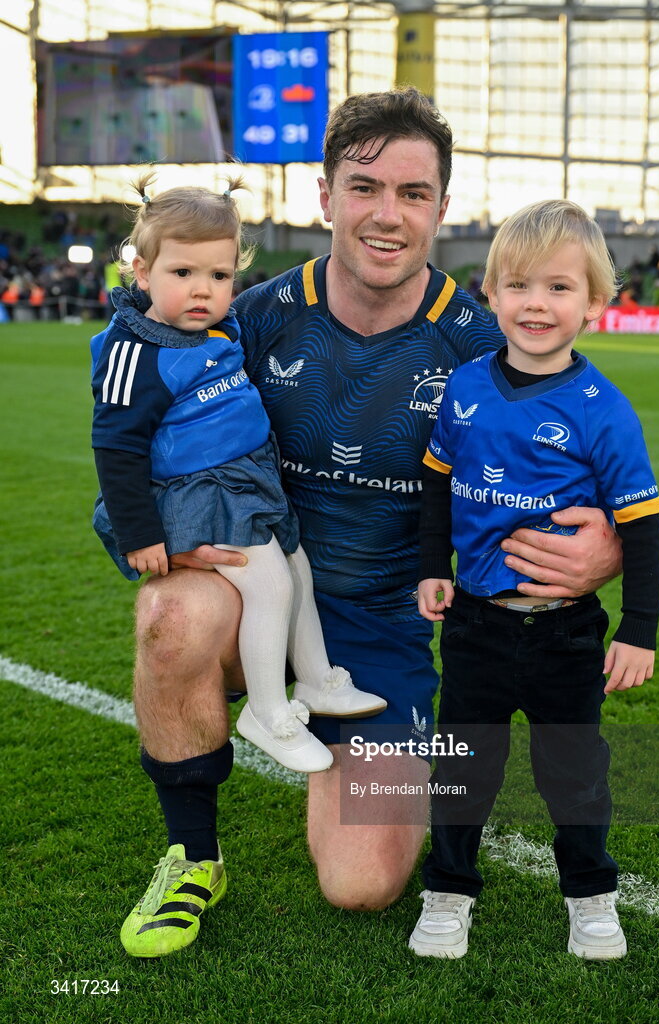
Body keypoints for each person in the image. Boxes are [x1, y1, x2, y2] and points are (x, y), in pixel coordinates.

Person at [123, 88, 623, 959]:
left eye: (413, 193)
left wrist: (607, 546)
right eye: (364, 187)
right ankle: (192, 857)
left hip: (383, 630)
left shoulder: (483, 346)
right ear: (325, 198)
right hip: (252, 586)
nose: (387, 215)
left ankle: (337, 741)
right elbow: (127, 435)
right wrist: (156, 532)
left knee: (364, 884)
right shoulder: (250, 321)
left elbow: (589, 453)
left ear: (441, 205)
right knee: (175, 615)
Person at [92, 173, 387, 954]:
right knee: (269, 587)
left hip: (251, 483)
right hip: (204, 499)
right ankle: (268, 708)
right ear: (141, 271)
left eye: (219, 275)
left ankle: (318, 679)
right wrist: (139, 534)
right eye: (183, 273)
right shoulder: (133, 349)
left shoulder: (219, 334)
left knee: (300, 576)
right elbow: (116, 447)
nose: (203, 289)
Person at [408, 199, 659, 961]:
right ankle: (448, 896)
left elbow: (644, 529)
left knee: (575, 775)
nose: (537, 304)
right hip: (479, 627)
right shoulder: (465, 388)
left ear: (594, 303)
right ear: (491, 295)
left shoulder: (604, 411)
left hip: (565, 632)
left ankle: (591, 899)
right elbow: (435, 484)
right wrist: (433, 568)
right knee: (463, 772)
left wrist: (638, 630)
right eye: (518, 285)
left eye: (559, 288)